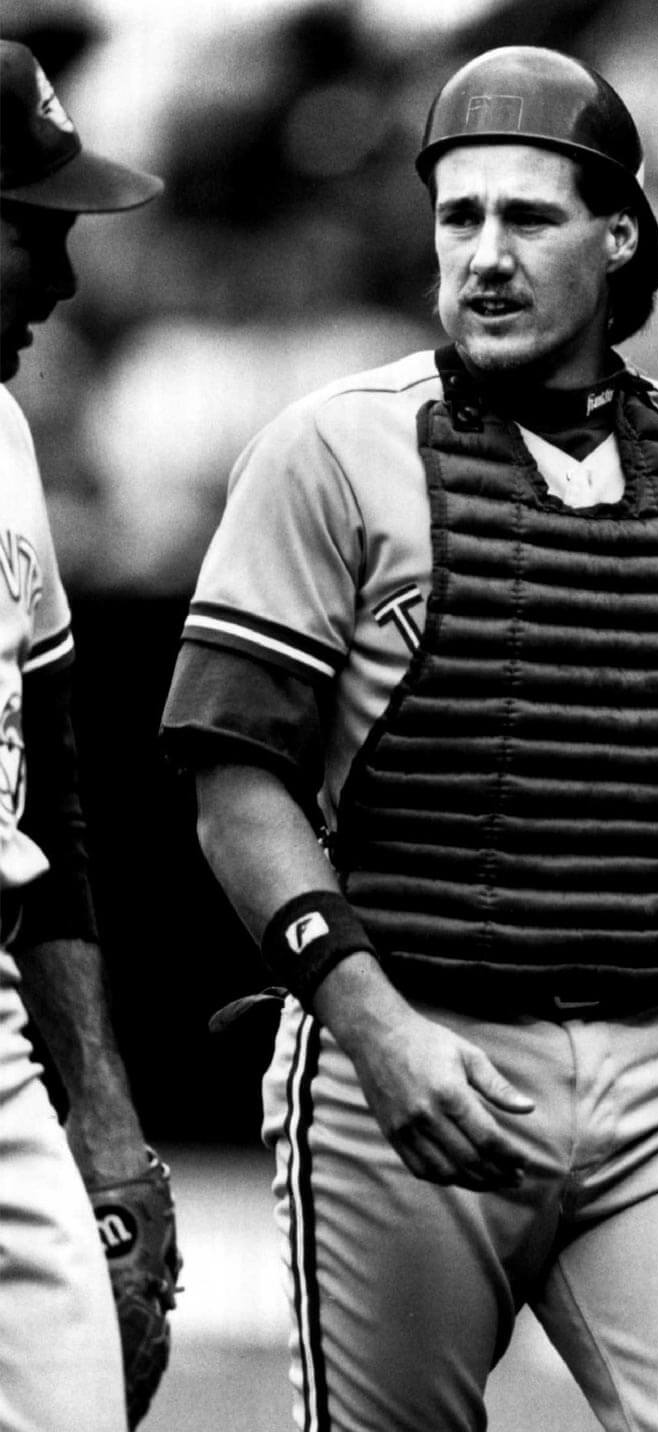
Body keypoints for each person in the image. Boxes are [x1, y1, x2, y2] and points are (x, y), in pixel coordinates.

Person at [161, 46, 658, 1432]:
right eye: (459, 216)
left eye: (530, 217)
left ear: (619, 239)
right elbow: (231, 782)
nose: (485, 254)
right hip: (406, 1058)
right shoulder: (329, 448)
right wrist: (372, 1031)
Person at [1, 39, 169, 1432]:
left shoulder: (4, 436)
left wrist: (105, 1124)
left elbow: (46, 797)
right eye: (34, 232)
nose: (62, 283)